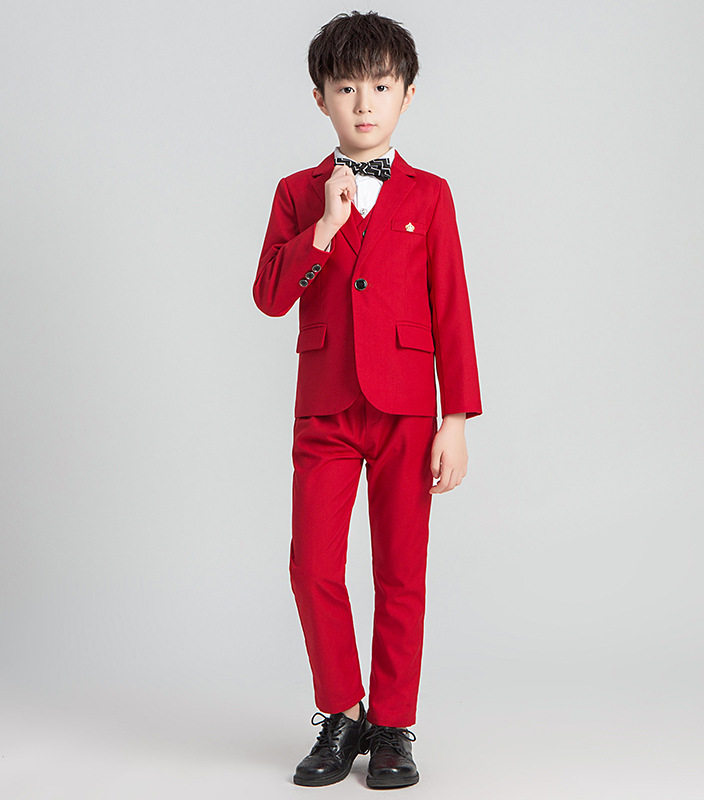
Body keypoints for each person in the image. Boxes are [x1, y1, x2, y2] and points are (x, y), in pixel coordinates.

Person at [253, 10, 482, 789]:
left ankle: (391, 726)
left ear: (407, 95)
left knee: (401, 573)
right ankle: (341, 712)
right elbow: (269, 296)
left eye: (380, 87)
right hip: (325, 407)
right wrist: (324, 227)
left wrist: (455, 418)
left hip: (407, 411)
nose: (363, 103)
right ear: (319, 96)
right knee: (312, 567)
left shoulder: (431, 195)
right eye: (346, 87)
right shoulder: (296, 194)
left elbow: (452, 309)